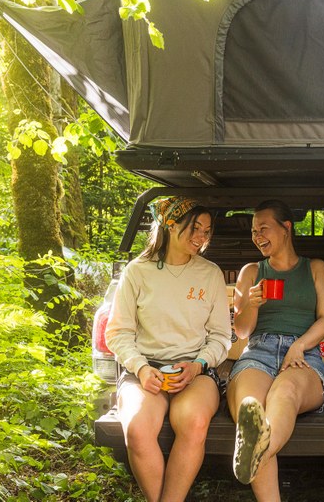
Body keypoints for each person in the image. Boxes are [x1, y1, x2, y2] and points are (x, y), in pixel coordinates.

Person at [105, 196, 231, 502]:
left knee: (194, 422)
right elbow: (118, 332)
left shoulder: (210, 273)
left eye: (207, 231)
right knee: (136, 429)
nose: (202, 237)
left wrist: (199, 364)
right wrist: (141, 368)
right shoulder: (138, 271)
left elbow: (221, 337)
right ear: (171, 226)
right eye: (196, 228)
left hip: (195, 370)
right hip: (145, 370)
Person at [227, 199, 324, 501]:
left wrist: (299, 346)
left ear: (286, 228)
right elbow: (242, 331)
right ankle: (256, 449)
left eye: (263, 228)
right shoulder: (251, 271)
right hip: (258, 351)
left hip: (304, 354)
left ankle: (254, 453)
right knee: (253, 411)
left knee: (284, 394)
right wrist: (250, 304)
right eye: (253, 231)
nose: (257, 236)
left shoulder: (315, 268)